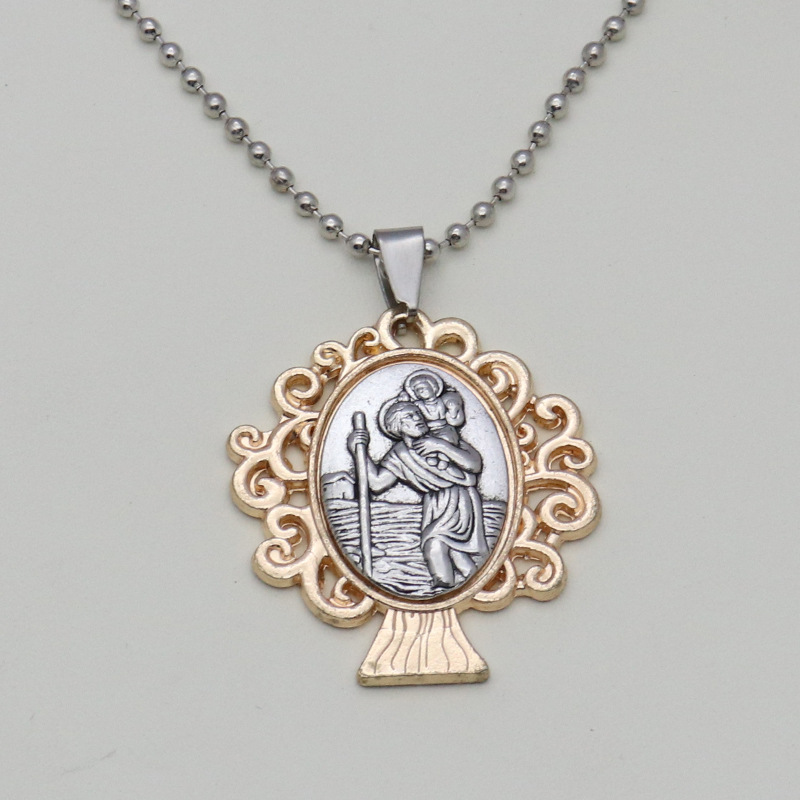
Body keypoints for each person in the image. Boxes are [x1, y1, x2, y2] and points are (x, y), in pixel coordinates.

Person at [347, 401, 489, 590]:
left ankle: (444, 587)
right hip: (434, 505)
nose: (418, 418)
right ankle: (474, 584)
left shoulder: (443, 436)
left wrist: (440, 446)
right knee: (455, 552)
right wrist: (358, 452)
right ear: (397, 426)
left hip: (459, 499)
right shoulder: (399, 454)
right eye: (409, 416)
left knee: (434, 546)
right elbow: (376, 483)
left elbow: (474, 464)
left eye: (417, 413)